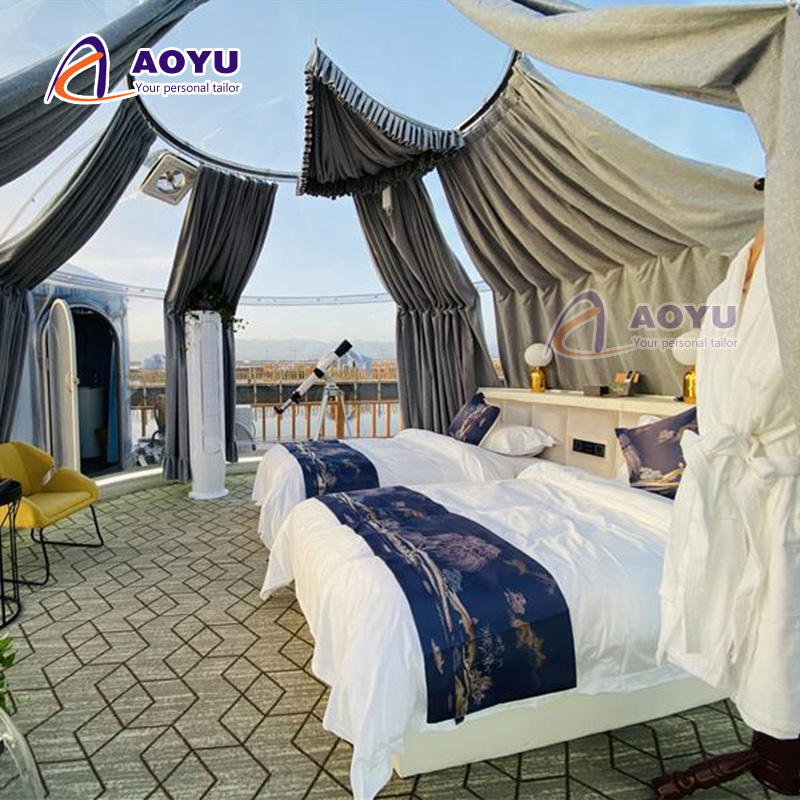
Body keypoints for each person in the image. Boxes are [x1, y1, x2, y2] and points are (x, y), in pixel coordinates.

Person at [659, 176, 800, 745]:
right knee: (752, 617)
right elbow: (709, 370)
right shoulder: (726, 290)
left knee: (778, 627)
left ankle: (777, 739)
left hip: (776, 478)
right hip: (732, 472)